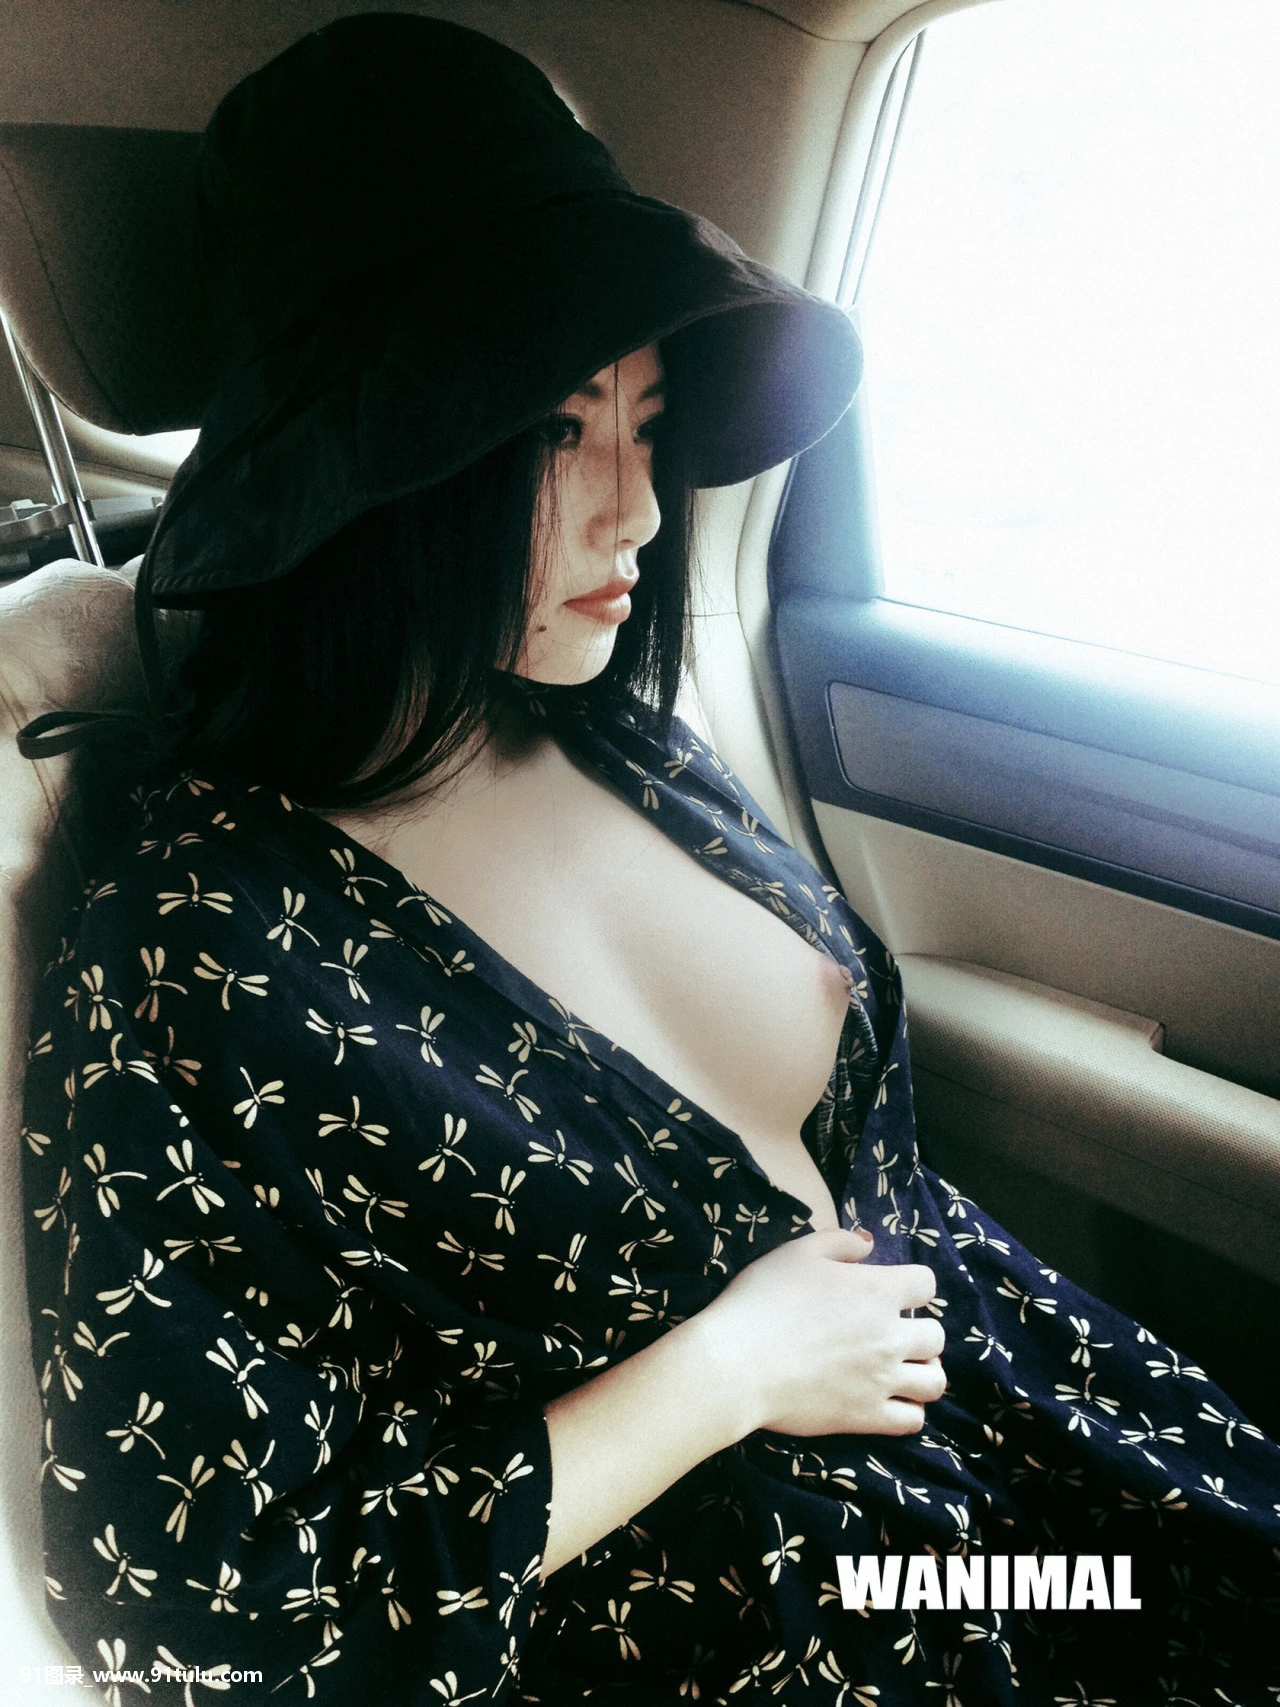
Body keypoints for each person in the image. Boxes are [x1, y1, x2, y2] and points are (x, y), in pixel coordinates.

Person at [18, 15, 1280, 1706]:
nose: (640, 511)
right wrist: (722, 1370)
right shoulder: (191, 942)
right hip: (780, 1627)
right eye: (560, 433)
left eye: (648, 419)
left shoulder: (625, 733)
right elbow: (198, 1612)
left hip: (1038, 1462)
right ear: (381, 467)